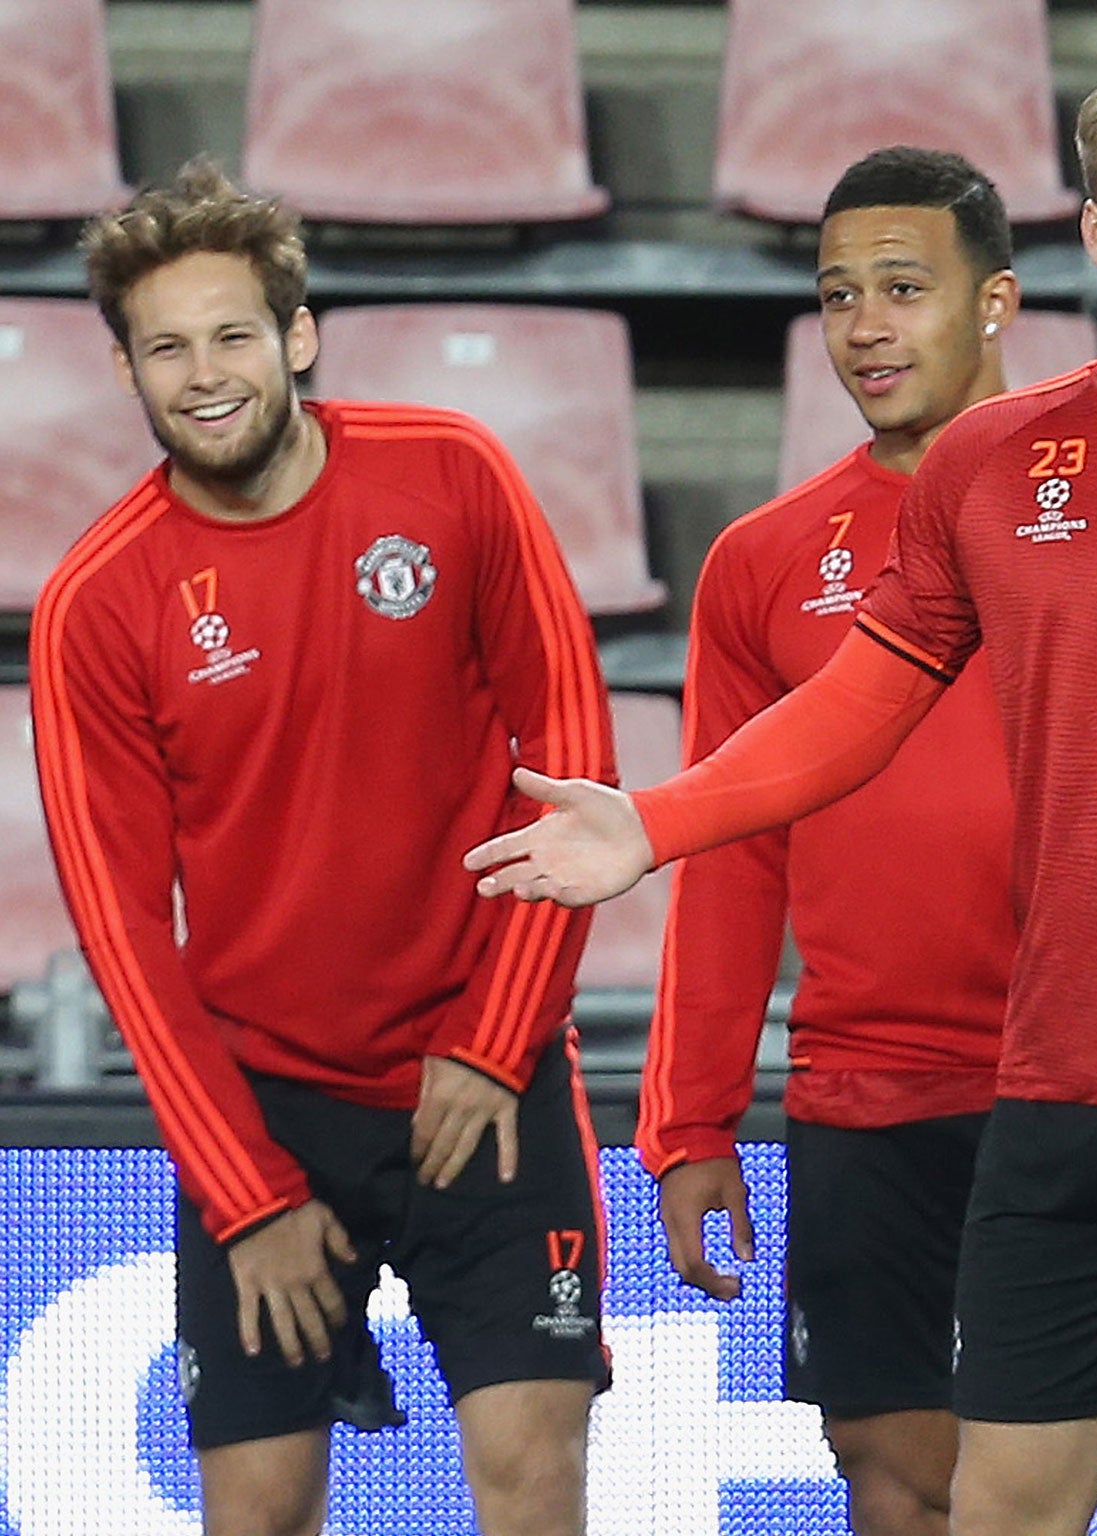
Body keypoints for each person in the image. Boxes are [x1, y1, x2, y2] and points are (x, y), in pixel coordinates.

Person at [465, 38, 1097, 1536]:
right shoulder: (993, 459)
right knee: (999, 1506)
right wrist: (656, 821)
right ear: (1095, 232)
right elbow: (855, 704)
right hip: (1055, 1088)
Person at [32, 162, 614, 1536]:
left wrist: (493, 1035)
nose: (206, 373)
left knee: (534, 1482)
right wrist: (248, 1193)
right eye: (167, 348)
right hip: (270, 1101)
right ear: (126, 373)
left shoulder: (452, 473)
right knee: (260, 1510)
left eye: (233, 334)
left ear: (298, 335)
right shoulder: (97, 604)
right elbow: (121, 933)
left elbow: (575, 777)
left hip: (489, 1075)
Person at [642, 146, 1026, 1536]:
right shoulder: (762, 560)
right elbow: (731, 854)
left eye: (904, 289)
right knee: (895, 1479)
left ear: (997, 302)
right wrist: (689, 1123)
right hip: (874, 1095)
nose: (866, 325)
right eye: (840, 295)